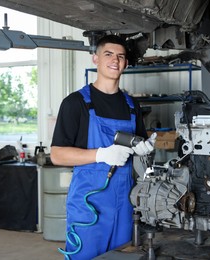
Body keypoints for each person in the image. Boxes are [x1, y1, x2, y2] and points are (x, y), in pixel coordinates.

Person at [50, 34, 156, 260]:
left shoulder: (131, 105)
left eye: (121, 56)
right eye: (108, 54)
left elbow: (139, 149)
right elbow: (57, 155)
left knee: (124, 256)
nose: (115, 60)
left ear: (126, 63)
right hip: (89, 205)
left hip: (125, 204)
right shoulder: (75, 103)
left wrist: (145, 151)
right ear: (95, 59)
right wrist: (101, 154)